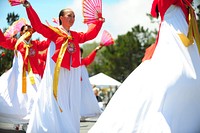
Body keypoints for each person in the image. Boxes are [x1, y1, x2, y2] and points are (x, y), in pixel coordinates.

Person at [89, 0, 200, 132]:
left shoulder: (184, 5)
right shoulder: (166, 3)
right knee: (175, 78)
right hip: (174, 38)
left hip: (185, 39)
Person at [21, 1, 104, 132]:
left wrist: (98, 22)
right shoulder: (54, 33)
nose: (72, 19)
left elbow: (90, 35)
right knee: (57, 98)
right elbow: (37, 25)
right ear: (61, 18)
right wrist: (28, 7)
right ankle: (56, 127)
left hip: (72, 73)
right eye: (69, 16)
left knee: (71, 100)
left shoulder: (75, 35)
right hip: (57, 72)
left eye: (74, 16)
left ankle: (68, 126)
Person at [0, 24, 50, 130]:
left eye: (30, 31)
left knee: (36, 97)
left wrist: (49, 30)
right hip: (20, 77)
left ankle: (30, 121)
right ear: (21, 32)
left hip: (34, 76)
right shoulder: (16, 43)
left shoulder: (35, 44)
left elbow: (48, 43)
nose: (28, 33)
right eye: (26, 30)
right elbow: (2, 41)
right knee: (21, 100)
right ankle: (20, 121)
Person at [80, 46, 103, 120]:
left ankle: (83, 114)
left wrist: (95, 50)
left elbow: (90, 58)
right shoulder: (71, 61)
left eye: (80, 53)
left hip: (83, 84)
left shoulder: (83, 61)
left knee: (84, 97)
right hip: (75, 83)